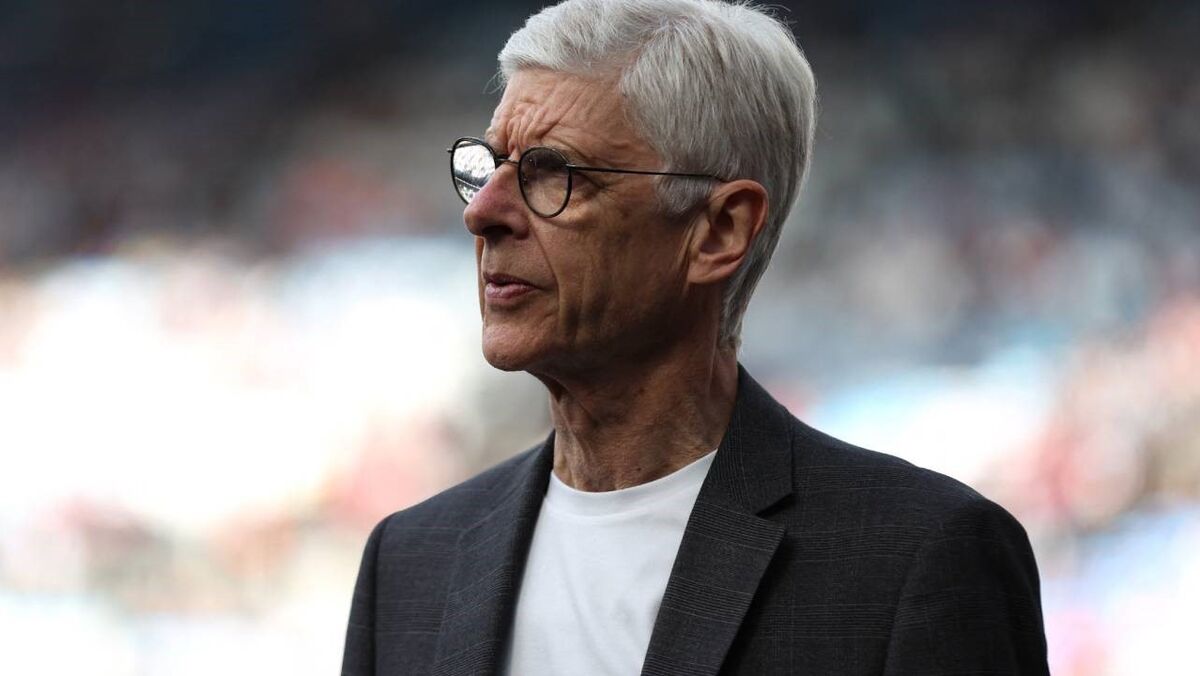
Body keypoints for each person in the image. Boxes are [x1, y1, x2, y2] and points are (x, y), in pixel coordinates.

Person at [342, 0, 1049, 673]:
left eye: (550, 173)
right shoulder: (409, 565)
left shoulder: (915, 558)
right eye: (487, 166)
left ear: (719, 231)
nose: (483, 213)